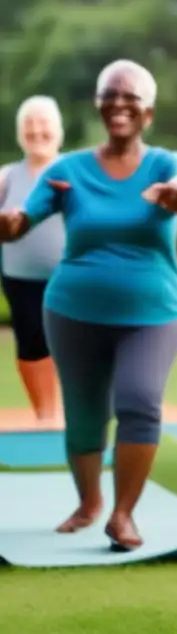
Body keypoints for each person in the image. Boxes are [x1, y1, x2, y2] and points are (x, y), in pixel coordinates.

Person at [0, 59, 177, 551]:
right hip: (72, 310)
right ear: (98, 105)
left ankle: (123, 514)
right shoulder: (68, 171)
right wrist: (9, 223)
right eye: (111, 94)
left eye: (132, 97)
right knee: (86, 414)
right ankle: (89, 502)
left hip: (153, 312)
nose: (120, 103)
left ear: (148, 112)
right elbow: (25, 220)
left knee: (139, 401)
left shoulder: (168, 163)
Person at [0, 96, 66, 421]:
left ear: (58, 131)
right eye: (29, 124)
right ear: (19, 133)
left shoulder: (75, 171)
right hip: (19, 276)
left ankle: (70, 412)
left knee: (70, 341)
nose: (37, 131)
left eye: (44, 124)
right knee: (31, 342)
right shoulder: (7, 176)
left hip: (69, 276)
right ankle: (45, 414)